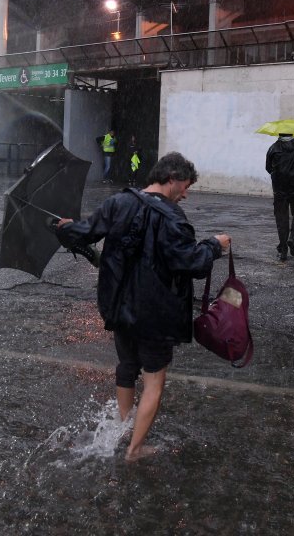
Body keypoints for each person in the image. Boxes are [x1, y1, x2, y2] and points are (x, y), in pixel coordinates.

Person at [56, 152, 231, 462]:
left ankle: (124, 426)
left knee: (126, 366)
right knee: (154, 380)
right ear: (172, 179)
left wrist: (66, 227)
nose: (186, 194)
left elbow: (86, 232)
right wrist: (215, 245)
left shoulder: (119, 202)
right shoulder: (173, 218)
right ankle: (135, 450)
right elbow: (191, 263)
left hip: (119, 305)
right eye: (185, 186)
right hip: (156, 314)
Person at [265, 133, 294, 261]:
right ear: (292, 134)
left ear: (279, 135)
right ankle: (293, 237)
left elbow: (268, 168)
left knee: (282, 219)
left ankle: (284, 250)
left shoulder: (273, 148)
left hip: (280, 190)